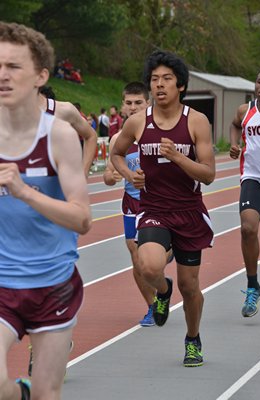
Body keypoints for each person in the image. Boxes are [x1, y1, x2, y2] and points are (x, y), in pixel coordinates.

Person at [0, 21, 92, 400]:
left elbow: (83, 220)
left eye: (13, 67)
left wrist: (24, 191)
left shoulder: (58, 135)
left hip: (52, 284)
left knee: (46, 395)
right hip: (3, 281)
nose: (2, 76)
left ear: (40, 76)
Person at [111, 50, 215, 367]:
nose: (159, 85)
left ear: (180, 85)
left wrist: (179, 158)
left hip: (189, 211)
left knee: (191, 286)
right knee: (149, 266)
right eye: (154, 80)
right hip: (154, 207)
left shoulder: (196, 121)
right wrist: (130, 175)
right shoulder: (138, 121)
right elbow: (116, 153)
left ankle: (192, 338)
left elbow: (209, 174)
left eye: (166, 79)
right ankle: (162, 289)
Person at [104, 82, 156, 326]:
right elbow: (107, 174)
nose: (133, 107)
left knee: (151, 262)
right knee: (136, 256)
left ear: (148, 103)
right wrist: (111, 176)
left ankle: (160, 264)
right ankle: (153, 306)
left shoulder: (160, 132)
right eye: (129, 103)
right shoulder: (118, 138)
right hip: (132, 204)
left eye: (139, 103)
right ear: (123, 105)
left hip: (159, 203)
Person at [229, 67, 260, 318]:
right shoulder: (246, 111)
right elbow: (234, 125)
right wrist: (234, 144)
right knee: (248, 228)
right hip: (253, 179)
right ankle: (253, 284)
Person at [38, 91, 97, 176]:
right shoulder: (12, 116)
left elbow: (91, 136)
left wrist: (84, 173)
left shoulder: (64, 110)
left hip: (59, 185)